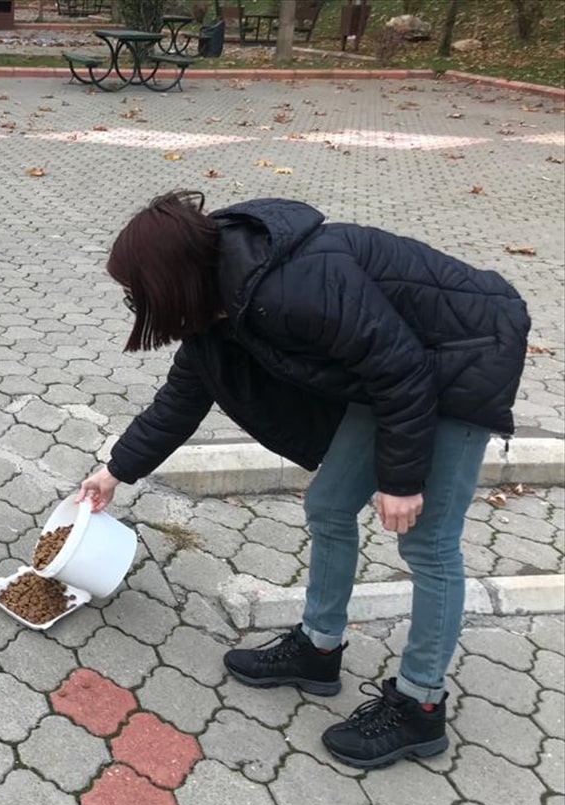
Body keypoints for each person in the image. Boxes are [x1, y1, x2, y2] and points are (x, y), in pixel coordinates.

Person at [78, 190, 530, 769]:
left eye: (136, 291)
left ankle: (420, 705)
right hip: (396, 369)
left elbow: (403, 371)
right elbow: (180, 403)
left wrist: (402, 478)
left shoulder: (290, 287)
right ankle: (318, 649)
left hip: (466, 354)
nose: (134, 302)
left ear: (172, 281)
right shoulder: (218, 309)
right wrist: (114, 472)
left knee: (428, 542)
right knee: (331, 503)